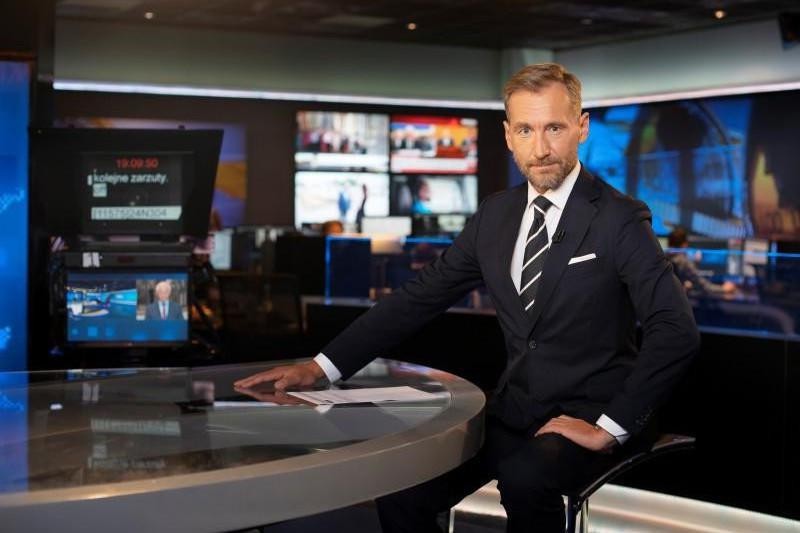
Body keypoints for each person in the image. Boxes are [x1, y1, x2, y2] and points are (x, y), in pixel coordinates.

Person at [235, 63, 699, 533]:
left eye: (554, 128)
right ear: (508, 135)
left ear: (581, 128)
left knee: (524, 481)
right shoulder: (495, 216)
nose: (540, 148)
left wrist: (609, 426)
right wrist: (321, 367)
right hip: (515, 412)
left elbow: (676, 329)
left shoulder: (619, 218)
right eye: (526, 130)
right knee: (402, 486)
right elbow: (417, 299)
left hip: (591, 411)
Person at [666, 227, 737, 295]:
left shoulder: (664, 258)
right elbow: (704, 287)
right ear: (684, 244)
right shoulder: (683, 262)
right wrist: (723, 289)